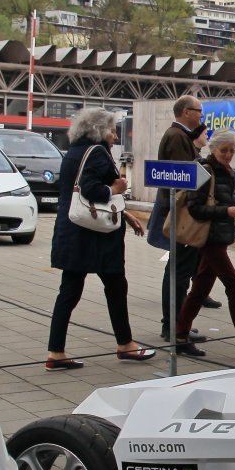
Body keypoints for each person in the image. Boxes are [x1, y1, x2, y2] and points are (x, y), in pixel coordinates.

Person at [45, 107, 155, 371]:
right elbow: (92, 190)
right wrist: (116, 188)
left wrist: (125, 214)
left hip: (73, 233)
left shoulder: (74, 152)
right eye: (113, 131)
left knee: (69, 292)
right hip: (96, 239)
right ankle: (125, 344)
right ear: (99, 131)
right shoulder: (97, 153)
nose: (115, 137)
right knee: (116, 287)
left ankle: (56, 351)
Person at [175, 130, 235, 358]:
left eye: (232, 150)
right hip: (210, 239)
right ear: (213, 149)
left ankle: (180, 337)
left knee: (199, 290)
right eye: (224, 151)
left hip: (221, 237)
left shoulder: (229, 172)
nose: (228, 155)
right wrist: (226, 211)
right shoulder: (204, 170)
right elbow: (195, 208)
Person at [158, 95, 219, 344]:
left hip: (183, 213)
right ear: (186, 112)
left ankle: (178, 323)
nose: (202, 115)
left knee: (181, 270)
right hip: (183, 214)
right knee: (178, 272)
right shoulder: (177, 137)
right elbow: (183, 178)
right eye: (199, 110)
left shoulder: (181, 136)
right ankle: (173, 325)